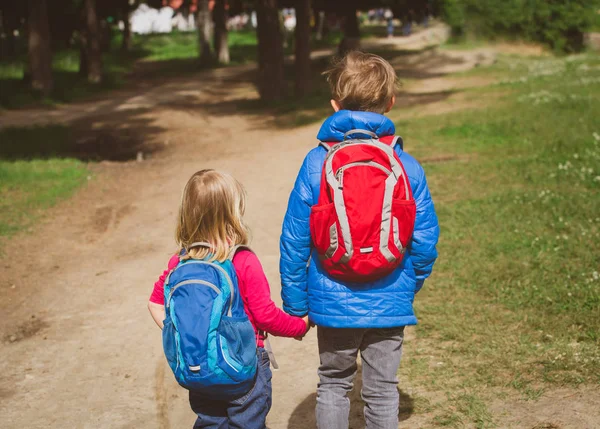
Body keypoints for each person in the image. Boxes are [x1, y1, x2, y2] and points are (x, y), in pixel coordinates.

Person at [280, 51, 439, 429]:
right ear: (390, 103)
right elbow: (425, 238)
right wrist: (409, 284)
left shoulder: (317, 164)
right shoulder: (406, 165)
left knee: (333, 384)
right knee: (383, 390)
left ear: (335, 105)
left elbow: (294, 239)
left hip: (333, 300)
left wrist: (296, 302)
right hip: (390, 298)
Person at [149, 169, 310, 429]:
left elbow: (155, 303)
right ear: (232, 215)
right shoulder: (242, 260)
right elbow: (265, 315)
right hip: (243, 366)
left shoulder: (180, 262)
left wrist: (188, 335)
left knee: (210, 422)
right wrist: (299, 326)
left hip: (201, 365)